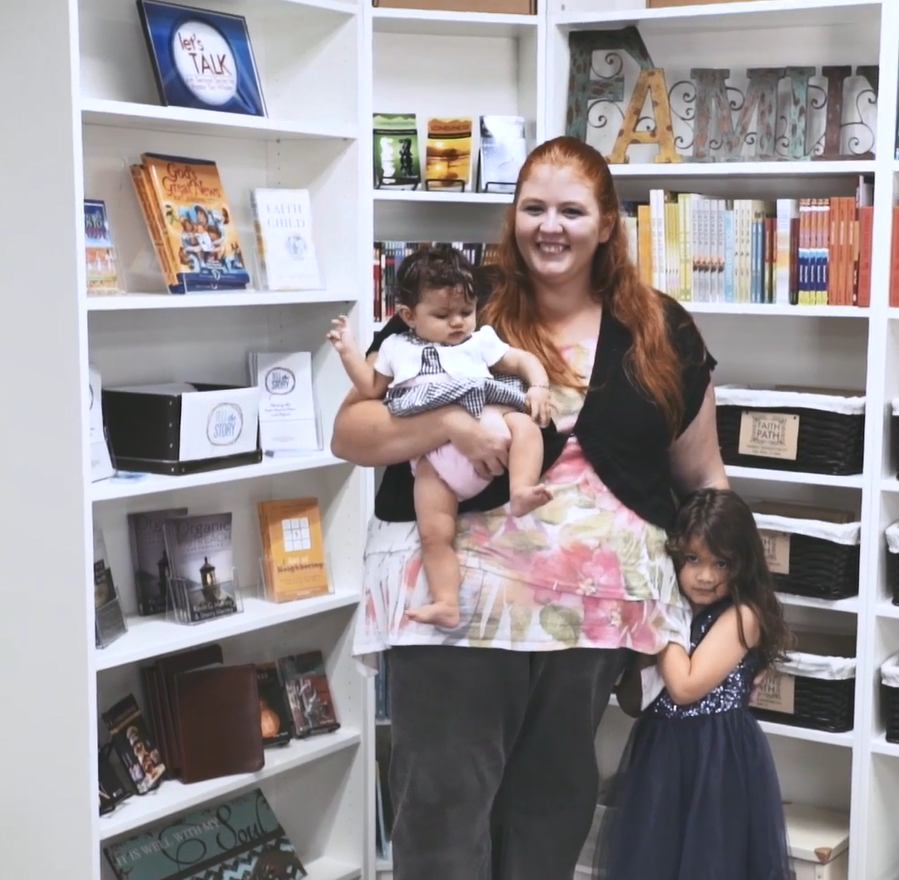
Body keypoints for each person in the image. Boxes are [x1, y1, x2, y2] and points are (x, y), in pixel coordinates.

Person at [331, 135, 728, 880]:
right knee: (444, 812)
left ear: (607, 223)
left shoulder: (659, 328)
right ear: (512, 215)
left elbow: (701, 473)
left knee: (552, 811)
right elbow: (351, 431)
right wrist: (447, 423)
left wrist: (739, 592)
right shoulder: (456, 305)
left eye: (572, 211)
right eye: (533, 207)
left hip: (592, 614)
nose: (551, 226)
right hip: (461, 603)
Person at [328, 244, 554, 627]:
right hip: (434, 461)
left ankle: (520, 489)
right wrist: (348, 352)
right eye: (443, 315)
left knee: (526, 427)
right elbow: (369, 388)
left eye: (466, 312)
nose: (458, 323)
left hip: (489, 415)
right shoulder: (396, 347)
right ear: (407, 316)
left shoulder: (479, 340)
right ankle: (446, 601)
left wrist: (539, 387)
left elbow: (520, 360)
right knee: (435, 533)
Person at [598, 488, 794, 880]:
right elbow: (634, 700)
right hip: (659, 753)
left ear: (742, 564)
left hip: (717, 756)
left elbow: (685, 687)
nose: (705, 576)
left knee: (712, 861)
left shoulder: (743, 615)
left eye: (721, 563)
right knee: (654, 860)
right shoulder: (678, 609)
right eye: (692, 559)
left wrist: (663, 613)